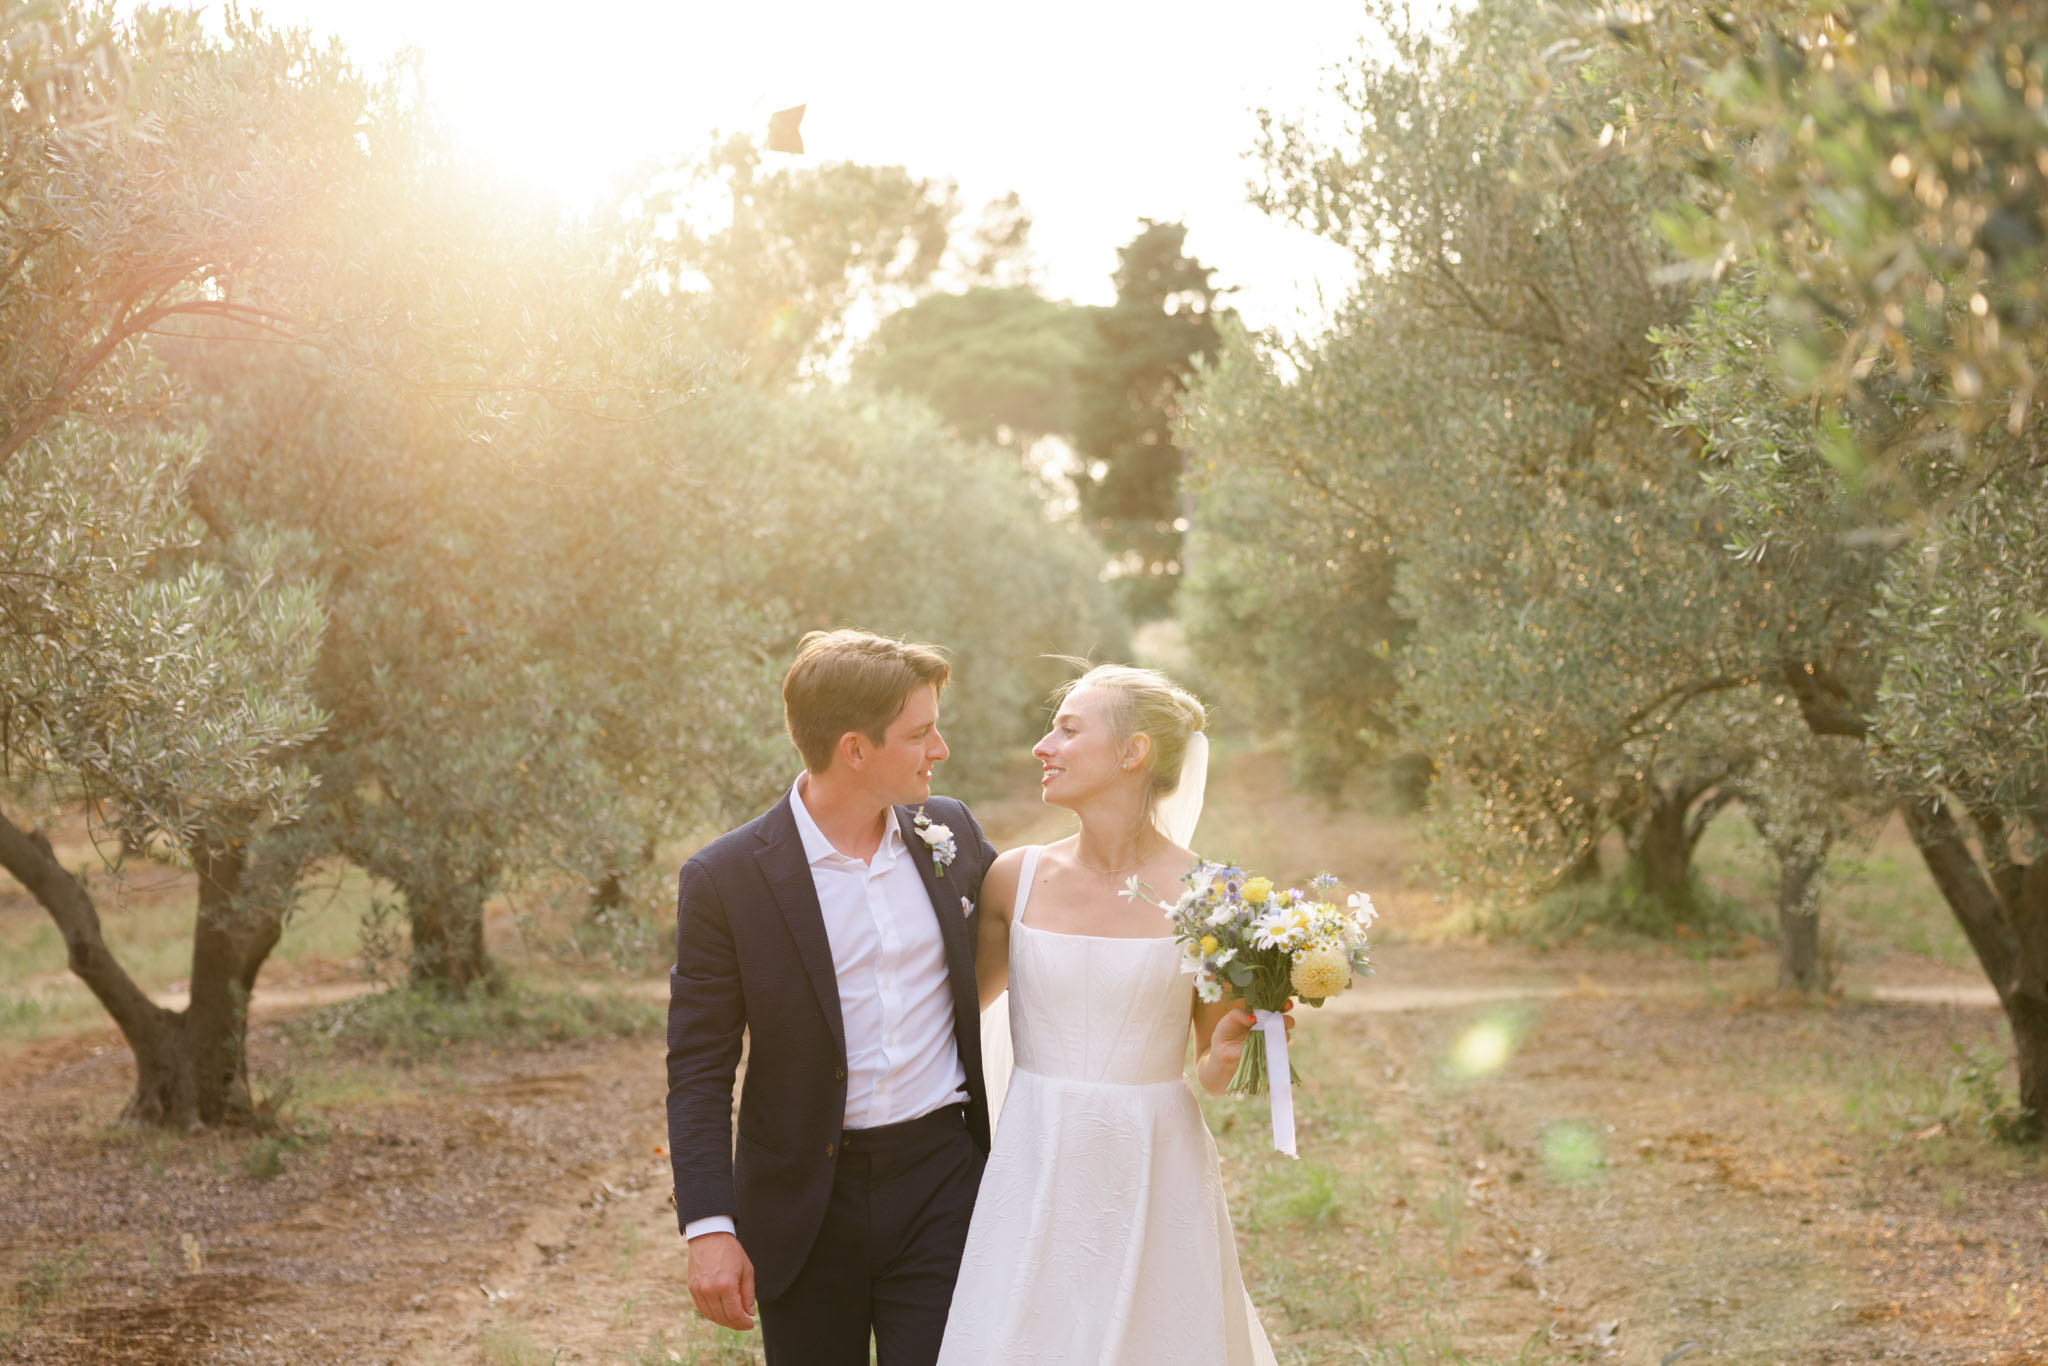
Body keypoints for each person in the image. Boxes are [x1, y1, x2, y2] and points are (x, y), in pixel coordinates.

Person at [665, 629, 1000, 1366]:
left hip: (942, 1180)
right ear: (855, 749)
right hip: (802, 1203)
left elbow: (1052, 927)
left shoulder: (953, 832)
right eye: (920, 734)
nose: (938, 750)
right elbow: (698, 1068)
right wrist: (709, 1224)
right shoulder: (725, 880)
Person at [937, 663, 1283, 1366]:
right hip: (1036, 1157)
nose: (1042, 746)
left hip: (1153, 1166)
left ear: (1133, 753)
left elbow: (1212, 1070)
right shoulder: (1015, 880)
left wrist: (1232, 1050)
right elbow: (952, 1021)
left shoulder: (1207, 897)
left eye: (1067, 729)